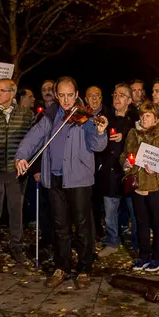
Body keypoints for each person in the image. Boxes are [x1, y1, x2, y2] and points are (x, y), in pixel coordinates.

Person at [15, 76, 108, 289]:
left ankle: (84, 268)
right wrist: (21, 156)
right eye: (62, 95)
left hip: (78, 180)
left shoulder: (86, 117)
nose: (66, 100)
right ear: (57, 96)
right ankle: (62, 266)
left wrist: (101, 132)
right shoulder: (49, 116)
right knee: (60, 226)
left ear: (77, 95)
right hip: (55, 178)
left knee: (83, 226)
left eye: (70, 95)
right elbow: (32, 138)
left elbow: (98, 145)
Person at [0, 72, 34, 267]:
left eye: (2, 91)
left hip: (16, 172)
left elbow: (32, 142)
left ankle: (16, 245)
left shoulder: (26, 115)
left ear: (12, 94)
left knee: (15, 210)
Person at [122, 102, 159, 271]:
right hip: (139, 184)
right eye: (142, 115)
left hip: (157, 184)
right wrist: (125, 163)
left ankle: (157, 256)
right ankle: (143, 255)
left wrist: (158, 168)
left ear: (155, 118)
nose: (144, 119)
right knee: (141, 221)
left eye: (147, 116)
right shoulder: (133, 133)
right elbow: (125, 154)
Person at [96, 84, 136, 258]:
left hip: (129, 173)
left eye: (122, 95)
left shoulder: (136, 118)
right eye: (115, 94)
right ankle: (112, 242)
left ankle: (137, 244)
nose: (117, 98)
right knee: (110, 212)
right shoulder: (106, 118)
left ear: (129, 100)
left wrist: (125, 136)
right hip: (109, 172)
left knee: (135, 212)